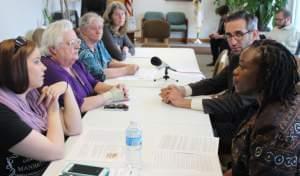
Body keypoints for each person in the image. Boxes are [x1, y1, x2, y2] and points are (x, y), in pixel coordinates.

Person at [160, 11, 259, 155]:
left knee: (185, 136)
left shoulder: (261, 62)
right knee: (179, 120)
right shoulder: (240, 54)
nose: (232, 42)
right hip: (232, 117)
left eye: (239, 34)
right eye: (229, 35)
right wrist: (183, 90)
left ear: (255, 34)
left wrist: (183, 102)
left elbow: (236, 103)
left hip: (245, 131)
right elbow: (217, 82)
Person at [0, 37, 82, 175]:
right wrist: (53, 109)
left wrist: (67, 89)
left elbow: (74, 128)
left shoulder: (31, 95)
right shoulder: (3, 114)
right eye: (37, 62)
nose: (44, 67)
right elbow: (56, 151)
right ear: (16, 68)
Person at [223, 39, 300, 176]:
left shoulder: (273, 130)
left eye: (242, 67)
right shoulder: (283, 98)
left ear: (266, 76)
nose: (235, 71)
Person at [40, 20, 128, 113]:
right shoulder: (49, 69)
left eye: (77, 41)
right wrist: (111, 95)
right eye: (71, 43)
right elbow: (78, 105)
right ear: (53, 49)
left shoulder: (74, 62)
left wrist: (114, 89)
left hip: (92, 113)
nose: (78, 46)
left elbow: (93, 83)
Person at [79, 12, 139, 81]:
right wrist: (126, 70)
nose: (98, 32)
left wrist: (129, 66)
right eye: (93, 28)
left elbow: (109, 62)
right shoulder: (82, 50)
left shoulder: (98, 42)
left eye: (100, 28)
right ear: (83, 30)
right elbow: (99, 74)